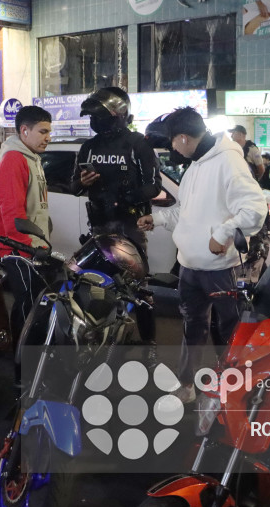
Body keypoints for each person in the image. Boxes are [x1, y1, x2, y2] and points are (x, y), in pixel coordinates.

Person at [137, 107, 267, 403]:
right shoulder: (195, 166)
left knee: (229, 331)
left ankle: (236, 392)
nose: (172, 147)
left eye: (172, 141)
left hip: (220, 269)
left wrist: (222, 234)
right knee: (191, 327)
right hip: (189, 266)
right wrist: (157, 220)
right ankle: (187, 386)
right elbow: (186, 211)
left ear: (184, 137)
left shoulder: (229, 162)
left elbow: (255, 210)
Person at [71, 87, 162, 367]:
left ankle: (148, 344)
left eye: (100, 116)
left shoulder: (138, 144)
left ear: (119, 115)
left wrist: (128, 193)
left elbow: (154, 186)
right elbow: (74, 185)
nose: (94, 122)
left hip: (130, 228)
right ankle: (101, 340)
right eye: (92, 117)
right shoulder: (88, 147)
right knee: (96, 286)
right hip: (99, 228)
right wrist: (83, 183)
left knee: (139, 287)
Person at [0, 106, 52, 353]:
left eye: (49, 131)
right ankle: (24, 370)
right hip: (19, 251)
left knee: (28, 304)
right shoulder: (14, 160)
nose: (48, 137)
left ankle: (21, 357)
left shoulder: (31, 158)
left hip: (31, 247)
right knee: (30, 308)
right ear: (24, 131)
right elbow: (12, 215)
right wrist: (28, 247)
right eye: (43, 131)